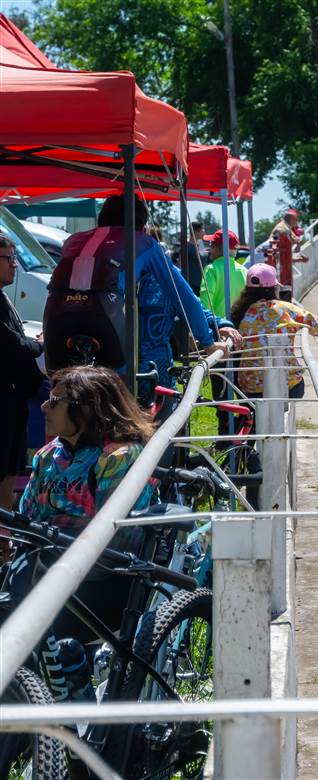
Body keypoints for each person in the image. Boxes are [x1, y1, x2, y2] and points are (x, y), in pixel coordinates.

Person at [12, 365, 156, 641]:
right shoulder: (47, 456)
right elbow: (26, 519)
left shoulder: (120, 456)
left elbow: (115, 538)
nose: (44, 407)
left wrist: (52, 534)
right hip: (46, 571)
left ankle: (72, 680)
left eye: (55, 401)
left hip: (103, 583)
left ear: (89, 408)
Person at [43, 194, 221, 388]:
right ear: (141, 225)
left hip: (56, 313)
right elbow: (184, 297)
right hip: (104, 313)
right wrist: (207, 342)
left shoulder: (73, 239)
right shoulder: (144, 242)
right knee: (120, 390)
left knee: (59, 386)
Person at [230, 264, 318, 399]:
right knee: (294, 383)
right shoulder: (285, 309)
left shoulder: (238, 313)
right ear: (274, 287)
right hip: (287, 383)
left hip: (249, 387)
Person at [0, 236, 45, 511]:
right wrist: (39, 344)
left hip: (13, 399)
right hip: (3, 400)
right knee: (3, 474)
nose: (15, 265)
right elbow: (12, 345)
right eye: (8, 259)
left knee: (10, 472)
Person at [199, 229, 248, 319]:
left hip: (219, 326)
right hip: (239, 325)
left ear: (220, 249)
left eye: (212, 244)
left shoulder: (211, 269)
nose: (210, 249)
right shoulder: (244, 271)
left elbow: (206, 300)